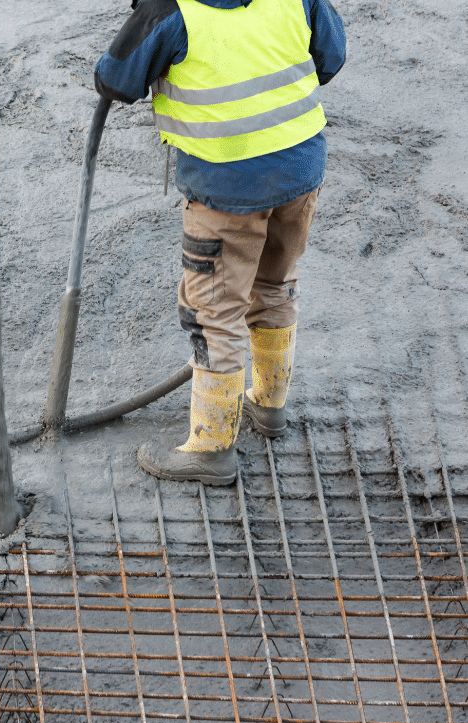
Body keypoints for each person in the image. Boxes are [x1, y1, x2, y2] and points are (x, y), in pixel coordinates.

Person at [94, 0, 346, 485]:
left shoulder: (172, 11)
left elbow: (115, 79)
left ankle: (211, 448)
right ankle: (269, 406)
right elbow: (330, 59)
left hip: (226, 191)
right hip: (300, 171)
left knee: (216, 315)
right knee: (275, 285)